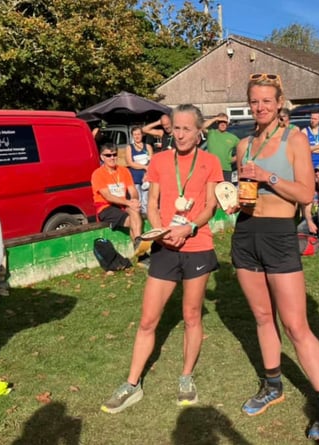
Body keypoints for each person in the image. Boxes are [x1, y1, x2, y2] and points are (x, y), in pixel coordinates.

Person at [230, 73, 319, 441]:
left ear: (280, 104)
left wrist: (267, 178)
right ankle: (273, 384)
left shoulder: (294, 139)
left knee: (295, 325)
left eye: (267, 101)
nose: (260, 107)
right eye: (254, 101)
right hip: (245, 233)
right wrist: (233, 197)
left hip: (279, 235)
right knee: (263, 317)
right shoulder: (243, 144)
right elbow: (244, 189)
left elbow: (306, 194)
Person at [101, 104, 223, 413]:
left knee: (192, 316)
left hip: (197, 245)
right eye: (176, 128)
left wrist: (190, 227)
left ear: (199, 132)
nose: (180, 134)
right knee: (147, 320)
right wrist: (161, 230)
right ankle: (131, 384)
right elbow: (152, 202)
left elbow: (211, 205)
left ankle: (185, 377)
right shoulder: (159, 160)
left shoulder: (210, 162)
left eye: (186, 129)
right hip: (165, 246)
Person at [91, 143, 145, 254]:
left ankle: (138, 246)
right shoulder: (97, 174)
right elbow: (108, 196)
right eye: (108, 155)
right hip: (106, 207)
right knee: (133, 220)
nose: (112, 158)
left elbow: (133, 190)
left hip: (123, 204)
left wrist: (134, 200)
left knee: (134, 211)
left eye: (114, 155)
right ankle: (140, 248)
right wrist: (128, 203)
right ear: (102, 157)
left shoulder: (124, 171)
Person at [297, 164, 319, 249]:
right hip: (313, 217)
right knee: (299, 229)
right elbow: (307, 207)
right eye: (315, 171)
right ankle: (313, 234)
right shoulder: (311, 186)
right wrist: (309, 221)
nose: (317, 173)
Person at [203, 113, 240, 182]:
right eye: (220, 122)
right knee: (211, 191)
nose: (223, 124)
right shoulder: (211, 133)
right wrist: (216, 118)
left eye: (225, 122)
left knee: (224, 191)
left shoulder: (232, 138)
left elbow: (243, 148)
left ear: (227, 124)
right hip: (211, 169)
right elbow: (202, 126)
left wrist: (235, 158)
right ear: (217, 123)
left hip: (226, 169)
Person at [125, 127, 153, 215]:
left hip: (146, 177)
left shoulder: (148, 146)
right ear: (132, 136)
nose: (137, 136)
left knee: (146, 199)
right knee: (138, 199)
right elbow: (130, 162)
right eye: (135, 134)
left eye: (139, 134)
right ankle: (138, 217)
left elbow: (152, 162)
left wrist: (147, 171)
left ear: (142, 135)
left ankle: (147, 217)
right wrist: (144, 167)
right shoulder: (129, 147)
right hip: (135, 177)